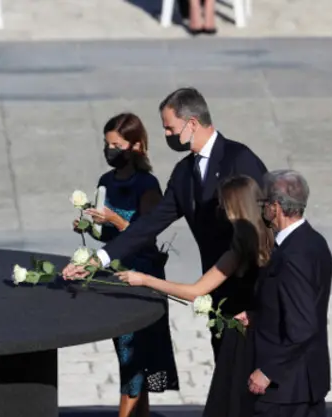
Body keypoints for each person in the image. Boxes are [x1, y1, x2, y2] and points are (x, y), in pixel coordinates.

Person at [63, 87, 267, 361]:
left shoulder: (239, 159)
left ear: (192, 123)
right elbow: (149, 224)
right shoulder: (184, 173)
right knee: (227, 373)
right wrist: (98, 259)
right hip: (216, 291)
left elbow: (267, 224)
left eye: (170, 129)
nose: (166, 135)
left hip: (253, 290)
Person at [116, 175, 274, 417]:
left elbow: (194, 292)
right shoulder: (273, 243)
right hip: (264, 340)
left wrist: (145, 279)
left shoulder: (237, 251)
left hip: (240, 342)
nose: (221, 211)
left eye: (224, 205)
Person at [78, 113, 179, 417]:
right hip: (114, 277)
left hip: (141, 277)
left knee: (135, 355)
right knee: (130, 358)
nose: (110, 151)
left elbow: (145, 234)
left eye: (116, 145)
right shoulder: (105, 182)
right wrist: (89, 225)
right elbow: (105, 237)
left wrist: (115, 221)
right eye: (107, 145)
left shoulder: (147, 185)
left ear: (135, 146)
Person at [249, 169, 332, 417]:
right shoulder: (313, 241)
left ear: (275, 207)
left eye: (263, 204)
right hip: (306, 382)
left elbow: (303, 324)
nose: (262, 210)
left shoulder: (292, 256)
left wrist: (267, 371)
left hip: (285, 389)